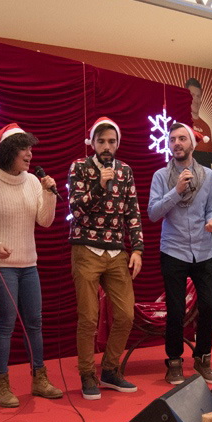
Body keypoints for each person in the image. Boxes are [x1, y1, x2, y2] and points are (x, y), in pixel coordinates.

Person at [0, 124, 63, 407]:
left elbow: (44, 220)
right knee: (5, 323)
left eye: (31, 148)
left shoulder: (32, 181)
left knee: (35, 322)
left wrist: (51, 194)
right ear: (8, 152)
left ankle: (39, 378)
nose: (30, 154)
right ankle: (1, 383)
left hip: (28, 263)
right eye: (24, 148)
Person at [68, 117, 144, 399]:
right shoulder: (79, 167)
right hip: (86, 249)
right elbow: (75, 209)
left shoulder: (125, 171)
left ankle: (110, 370)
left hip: (117, 251)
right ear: (93, 142)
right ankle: (87, 374)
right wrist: (99, 185)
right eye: (101, 141)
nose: (107, 146)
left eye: (111, 141)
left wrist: (137, 249)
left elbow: (132, 212)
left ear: (117, 143)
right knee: (88, 318)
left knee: (126, 314)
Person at [147, 123, 212, 385]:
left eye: (182, 138)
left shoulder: (208, 176)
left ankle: (202, 358)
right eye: (172, 139)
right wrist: (176, 191)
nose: (176, 143)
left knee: (210, 305)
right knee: (175, 310)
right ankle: (174, 362)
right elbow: (153, 213)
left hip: (203, 250)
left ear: (192, 143)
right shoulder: (160, 176)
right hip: (173, 250)